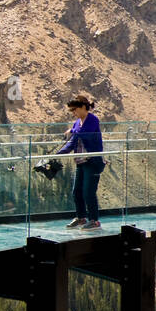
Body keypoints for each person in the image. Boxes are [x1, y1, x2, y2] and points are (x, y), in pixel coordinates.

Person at [55, 93, 105, 230]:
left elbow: (83, 134)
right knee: (77, 191)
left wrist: (72, 130)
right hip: (81, 162)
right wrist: (58, 154)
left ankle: (94, 220)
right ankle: (81, 217)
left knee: (88, 192)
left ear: (83, 107)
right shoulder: (77, 123)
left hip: (92, 162)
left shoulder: (93, 120)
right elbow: (72, 142)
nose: (74, 113)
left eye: (75, 110)